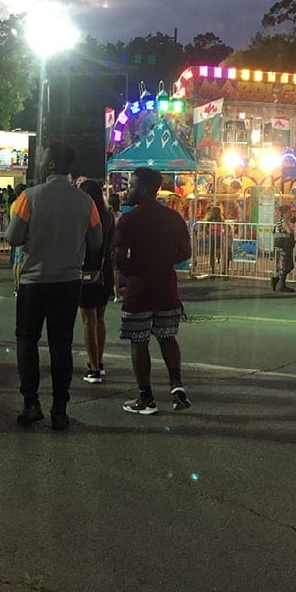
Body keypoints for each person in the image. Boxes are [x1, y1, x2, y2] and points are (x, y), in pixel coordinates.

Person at [5, 141, 103, 431]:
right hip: (68, 283)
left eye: (43, 156)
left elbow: (12, 238)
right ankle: (59, 409)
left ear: (50, 164)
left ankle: (31, 403)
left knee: (27, 340)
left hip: (34, 282)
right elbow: (96, 240)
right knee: (61, 345)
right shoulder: (86, 202)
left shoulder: (28, 197)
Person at [115, 167, 193, 415]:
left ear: (145, 189)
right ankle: (176, 386)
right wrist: (165, 262)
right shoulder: (173, 217)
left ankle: (146, 397)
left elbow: (118, 257)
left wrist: (132, 272)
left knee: (139, 342)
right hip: (167, 288)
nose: (129, 190)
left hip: (139, 290)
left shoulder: (129, 219)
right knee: (167, 336)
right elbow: (186, 253)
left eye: (133, 185)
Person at [78, 180, 115, 383]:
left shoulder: (85, 216)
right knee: (100, 319)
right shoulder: (108, 216)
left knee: (87, 320)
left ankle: (93, 368)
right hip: (105, 270)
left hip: (87, 270)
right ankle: (99, 363)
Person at [270, 204, 295, 292]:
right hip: (285, 246)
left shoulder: (280, 221)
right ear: (285, 213)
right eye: (289, 212)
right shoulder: (284, 221)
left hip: (282, 245)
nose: (291, 213)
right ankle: (280, 283)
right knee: (286, 265)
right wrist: (295, 230)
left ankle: (278, 280)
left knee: (288, 265)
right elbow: (289, 231)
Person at [203, 205, 226, 275]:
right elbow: (225, 228)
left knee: (212, 253)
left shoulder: (209, 220)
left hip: (212, 237)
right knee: (221, 252)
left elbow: (206, 229)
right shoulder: (221, 220)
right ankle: (222, 268)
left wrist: (208, 233)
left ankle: (213, 269)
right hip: (219, 237)